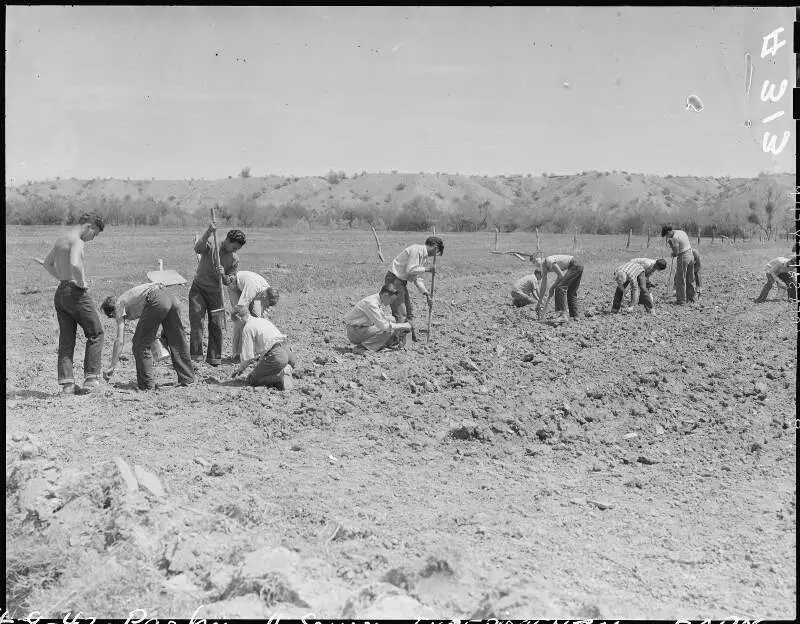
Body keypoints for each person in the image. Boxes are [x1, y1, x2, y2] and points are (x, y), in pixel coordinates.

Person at [39, 211, 106, 395]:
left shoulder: (61, 240)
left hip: (60, 293)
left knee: (66, 340)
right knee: (96, 333)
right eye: (96, 233)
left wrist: (63, 278)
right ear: (89, 226)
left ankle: (67, 385)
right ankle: (91, 379)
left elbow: (47, 264)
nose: (93, 238)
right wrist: (82, 283)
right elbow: (75, 264)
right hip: (76, 293)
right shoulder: (78, 241)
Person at [100, 283, 195, 391]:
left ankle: (146, 385)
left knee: (139, 344)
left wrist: (112, 365)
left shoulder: (118, 306)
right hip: (170, 296)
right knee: (176, 338)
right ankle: (187, 377)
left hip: (156, 299)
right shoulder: (127, 298)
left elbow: (119, 341)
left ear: (111, 313)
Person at [189, 225, 245, 366]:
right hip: (199, 289)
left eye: (237, 249)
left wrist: (223, 275)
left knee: (216, 325)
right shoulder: (212, 244)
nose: (235, 250)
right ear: (227, 240)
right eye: (234, 247)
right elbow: (197, 248)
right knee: (197, 322)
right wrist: (208, 231)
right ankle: (195, 357)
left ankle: (214, 358)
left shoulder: (234, 259)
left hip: (216, 293)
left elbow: (229, 281)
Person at [384, 236, 444, 341]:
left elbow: (415, 278)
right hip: (394, 280)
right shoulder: (417, 250)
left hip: (401, 282)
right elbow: (410, 270)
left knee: (409, 313)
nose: (435, 255)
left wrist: (426, 294)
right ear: (435, 247)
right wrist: (428, 269)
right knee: (401, 313)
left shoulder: (423, 257)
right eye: (437, 252)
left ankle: (408, 341)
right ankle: (398, 341)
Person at [231, 314, 296, 390]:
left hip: (277, 355)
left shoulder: (247, 328)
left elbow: (248, 356)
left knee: (252, 379)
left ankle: (280, 377)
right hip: (288, 353)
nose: (236, 326)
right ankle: (287, 368)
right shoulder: (261, 320)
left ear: (239, 318)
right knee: (272, 366)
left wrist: (241, 369)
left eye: (235, 323)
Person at [227, 270, 280, 361]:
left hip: (251, 288)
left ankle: (258, 351)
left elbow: (261, 315)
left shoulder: (267, 290)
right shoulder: (252, 290)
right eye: (266, 304)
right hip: (235, 285)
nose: (266, 307)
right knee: (241, 322)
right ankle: (237, 354)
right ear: (264, 297)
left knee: (257, 318)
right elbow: (240, 308)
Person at [344, 284, 412, 353]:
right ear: (385, 295)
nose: (391, 302)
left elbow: (381, 318)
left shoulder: (377, 299)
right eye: (391, 299)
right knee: (388, 330)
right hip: (355, 332)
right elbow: (383, 326)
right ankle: (362, 348)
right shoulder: (372, 303)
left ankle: (382, 344)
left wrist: (397, 323)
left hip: (361, 328)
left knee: (392, 320)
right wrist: (403, 325)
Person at [534, 254, 584, 323]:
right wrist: (539, 301)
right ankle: (574, 315)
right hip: (578, 265)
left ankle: (563, 315)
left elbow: (561, 275)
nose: (537, 265)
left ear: (541, 259)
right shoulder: (544, 268)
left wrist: (552, 287)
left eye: (537, 262)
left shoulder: (548, 261)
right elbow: (543, 285)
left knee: (560, 288)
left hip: (575, 265)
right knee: (571, 291)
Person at [661, 225, 695, 304]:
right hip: (690, 254)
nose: (667, 237)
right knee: (689, 278)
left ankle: (681, 300)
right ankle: (691, 298)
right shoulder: (681, 232)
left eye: (666, 235)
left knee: (680, 279)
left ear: (669, 232)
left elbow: (676, 253)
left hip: (683, 257)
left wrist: (671, 245)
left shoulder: (674, 238)